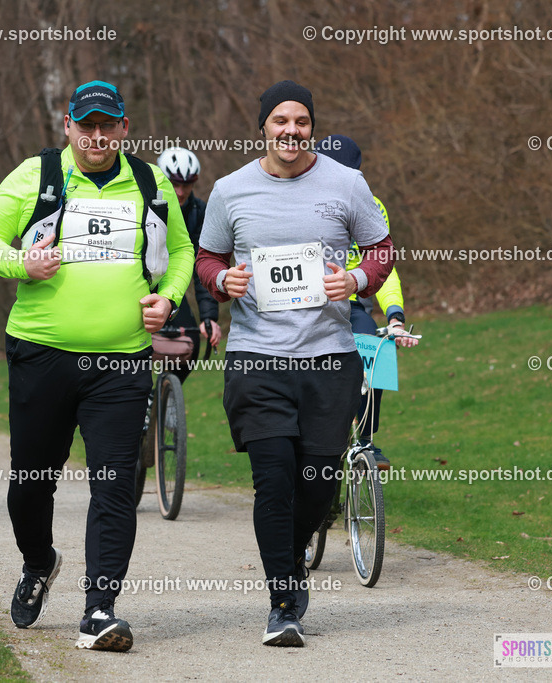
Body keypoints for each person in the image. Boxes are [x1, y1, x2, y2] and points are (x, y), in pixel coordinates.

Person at [0, 80, 193, 652]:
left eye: (107, 125)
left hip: (121, 361)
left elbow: (184, 252)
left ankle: (99, 609)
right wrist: (22, 262)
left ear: (124, 128)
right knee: (31, 481)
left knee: (116, 484)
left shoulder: (149, 180)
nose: (97, 136)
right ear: (67, 126)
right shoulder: (36, 176)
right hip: (41, 354)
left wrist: (166, 296)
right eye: (85, 126)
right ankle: (39, 562)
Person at [196, 80, 395, 647]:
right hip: (257, 357)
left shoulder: (346, 183)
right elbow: (208, 257)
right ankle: (283, 603)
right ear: (263, 126)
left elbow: (381, 248)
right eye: (280, 121)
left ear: (312, 127)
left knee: (318, 483)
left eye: (301, 122)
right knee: (274, 481)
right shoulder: (231, 190)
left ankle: (291, 554)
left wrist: (355, 279)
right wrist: (221, 279)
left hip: (329, 358)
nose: (291, 131)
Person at [317, 134, 419, 470]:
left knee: (377, 350)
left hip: (352, 304)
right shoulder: (302, 203)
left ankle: (365, 440)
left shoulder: (372, 207)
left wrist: (395, 316)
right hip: (307, 305)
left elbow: (385, 269)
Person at [155, 147, 222, 381]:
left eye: (187, 185)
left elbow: (203, 267)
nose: (180, 192)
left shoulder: (199, 212)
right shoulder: (142, 202)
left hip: (172, 286)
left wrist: (209, 317)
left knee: (190, 343)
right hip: (138, 283)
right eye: (174, 184)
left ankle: (164, 395)